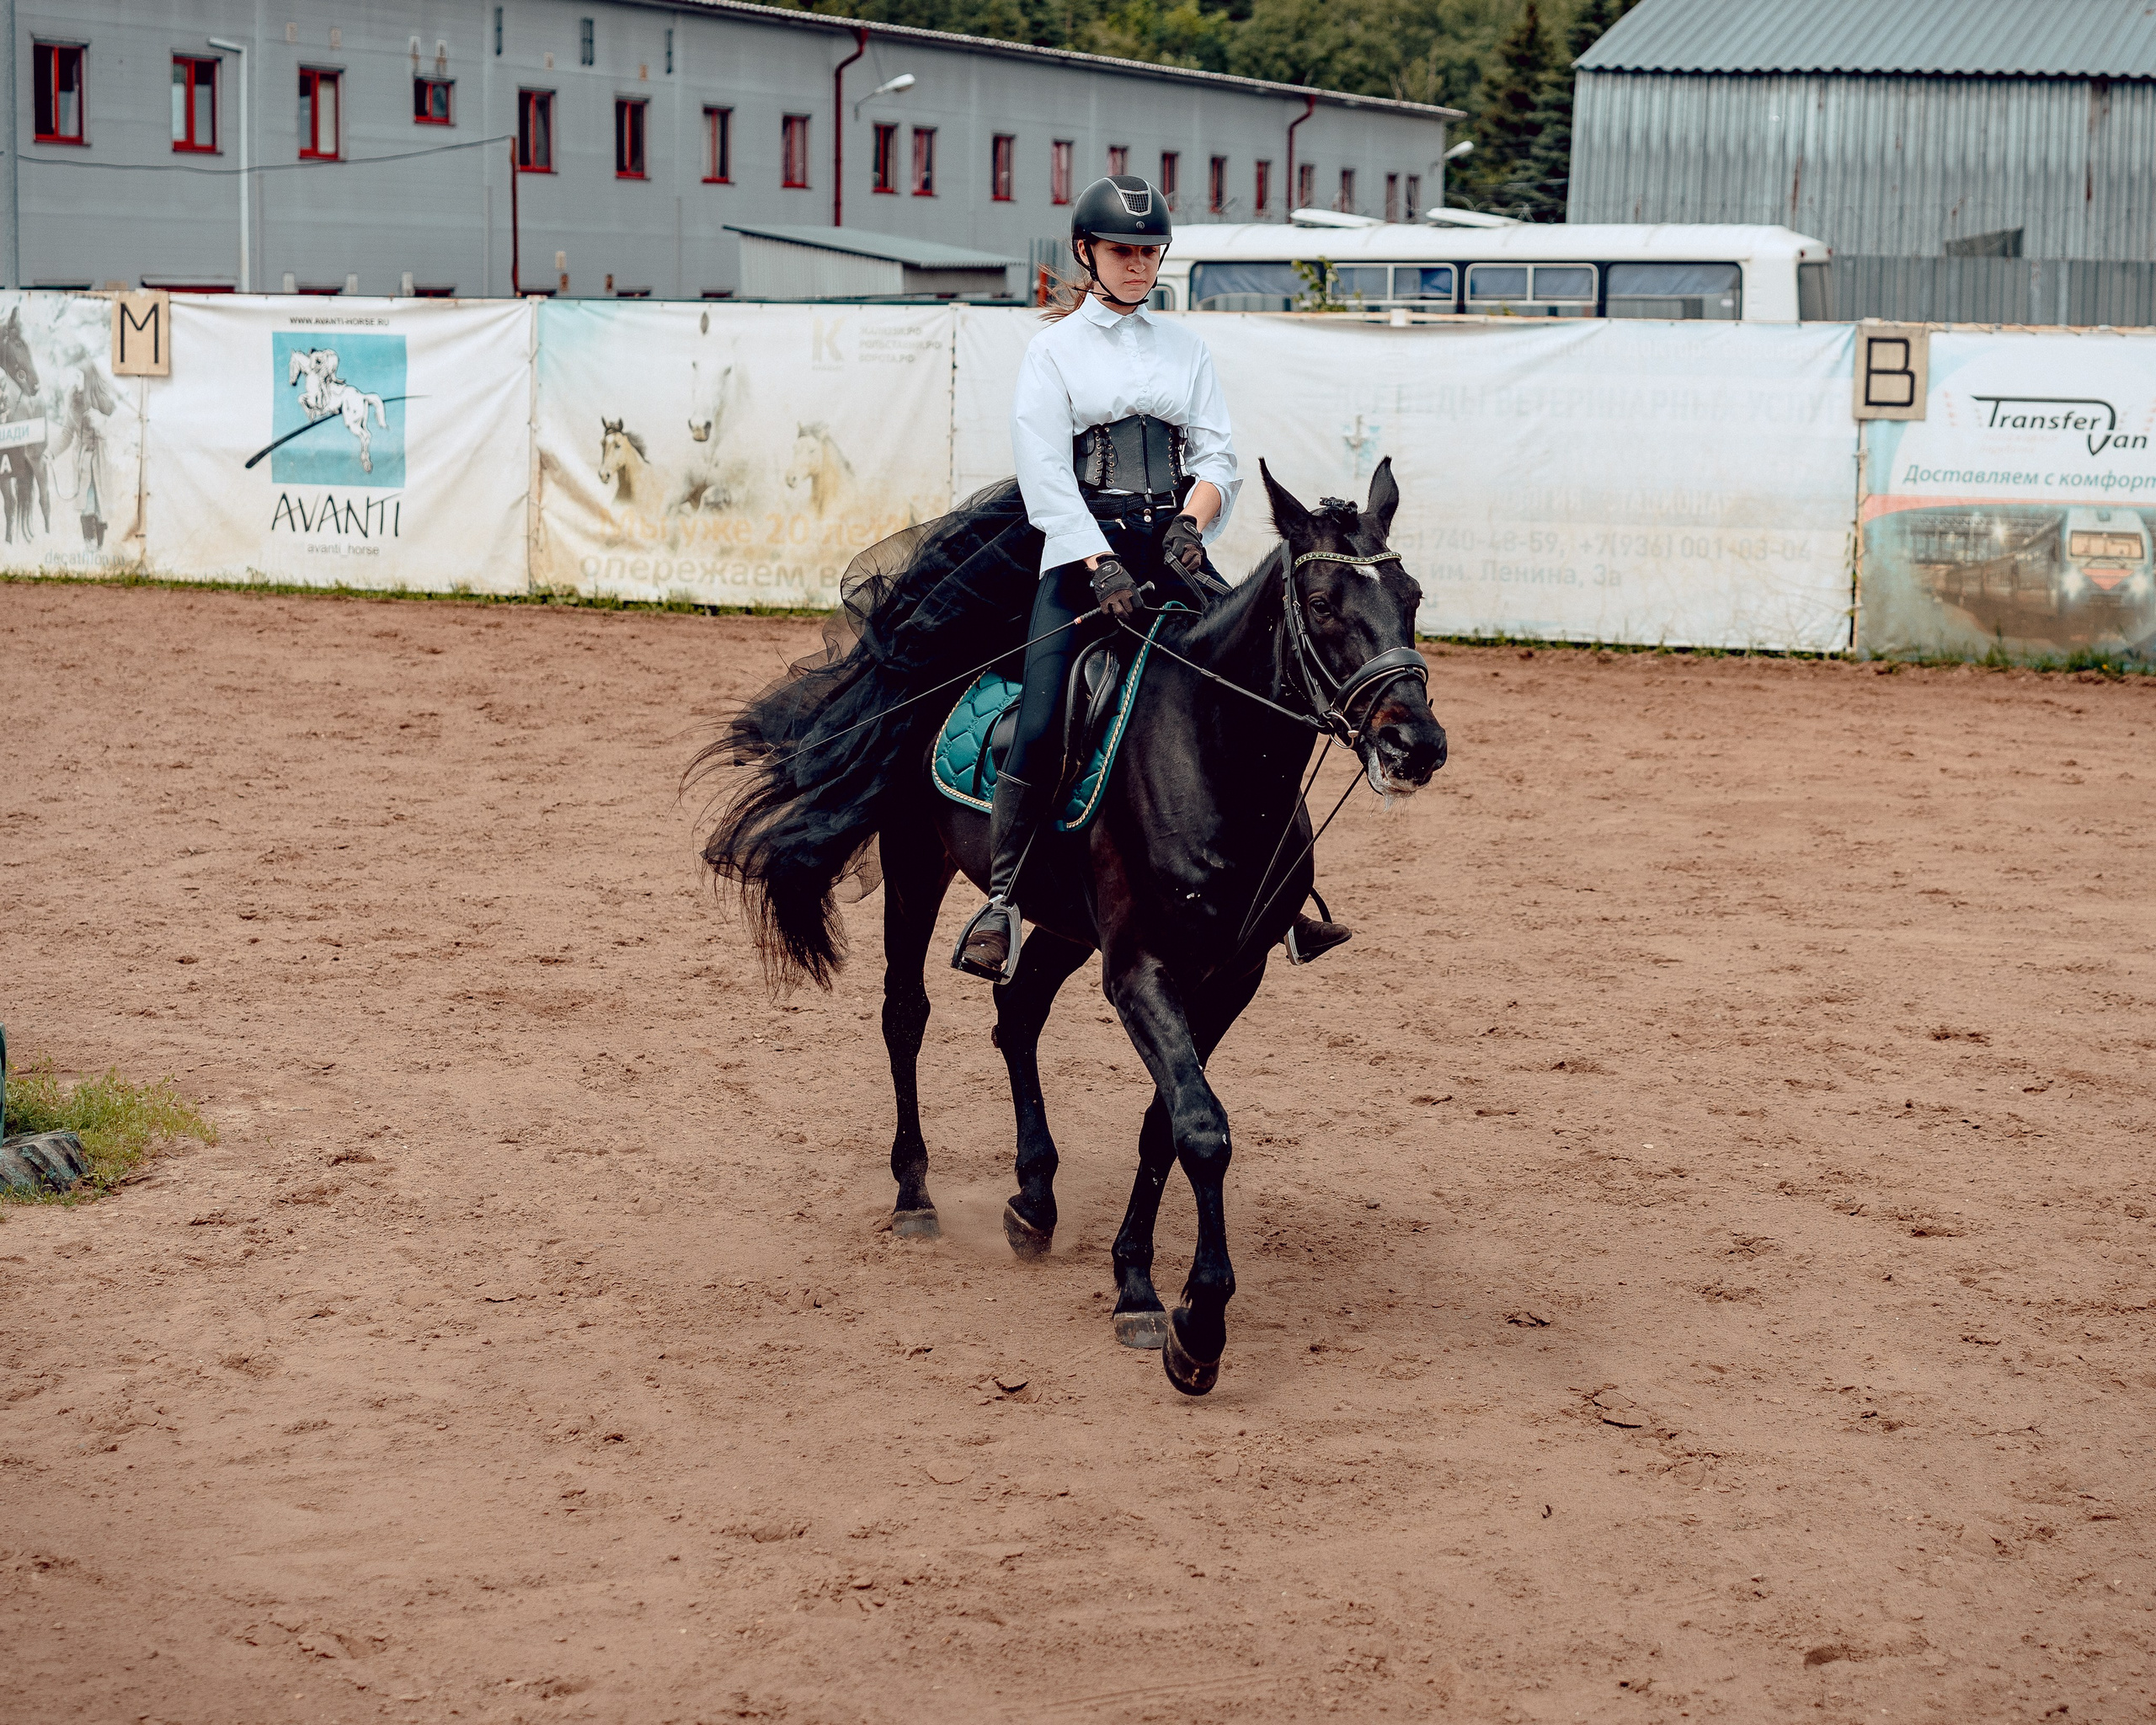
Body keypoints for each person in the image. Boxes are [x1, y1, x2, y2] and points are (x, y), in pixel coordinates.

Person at [950, 174, 1351, 981]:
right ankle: (1000, 899)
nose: (1138, 264)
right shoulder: (1052, 353)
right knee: (1045, 713)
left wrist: (1189, 526)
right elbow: (1043, 474)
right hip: (1078, 560)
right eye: (1123, 251)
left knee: (1259, 687)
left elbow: (1218, 459)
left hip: (1173, 554)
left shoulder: (1185, 349)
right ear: (1087, 253)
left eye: (1148, 251)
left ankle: (1286, 890)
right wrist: (1097, 562)